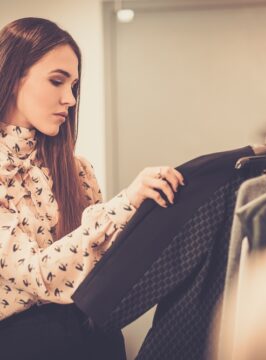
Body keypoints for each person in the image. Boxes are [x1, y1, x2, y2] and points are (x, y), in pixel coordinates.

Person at [0, 17, 184, 359]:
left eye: (74, 86)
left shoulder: (76, 169)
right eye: (57, 81)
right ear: (13, 77)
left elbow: (104, 273)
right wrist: (125, 202)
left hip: (97, 340)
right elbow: (37, 275)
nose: (70, 99)